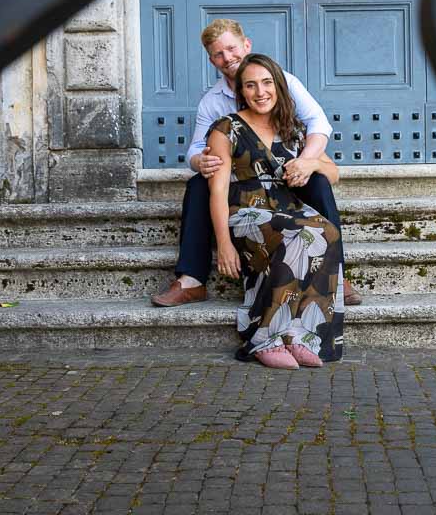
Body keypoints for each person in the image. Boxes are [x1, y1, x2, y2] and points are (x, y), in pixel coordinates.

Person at [150, 19, 364, 307]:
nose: (227, 58)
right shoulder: (213, 103)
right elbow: (196, 150)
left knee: (319, 181)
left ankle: (335, 272)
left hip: (284, 178)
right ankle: (192, 279)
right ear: (211, 59)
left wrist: (307, 162)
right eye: (218, 54)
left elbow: (318, 124)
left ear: (246, 45)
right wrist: (200, 160)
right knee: (200, 183)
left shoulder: (282, 85)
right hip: (239, 185)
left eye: (231, 49)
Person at [205, 53, 345, 368]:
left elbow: (333, 172)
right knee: (298, 234)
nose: (260, 92)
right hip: (245, 214)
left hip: (285, 210)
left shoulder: (290, 129)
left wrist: (309, 162)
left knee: (328, 231)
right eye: (251, 85)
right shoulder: (226, 129)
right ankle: (264, 338)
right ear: (241, 91)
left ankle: (299, 335)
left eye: (267, 83)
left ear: (279, 87)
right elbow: (216, 191)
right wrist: (224, 243)